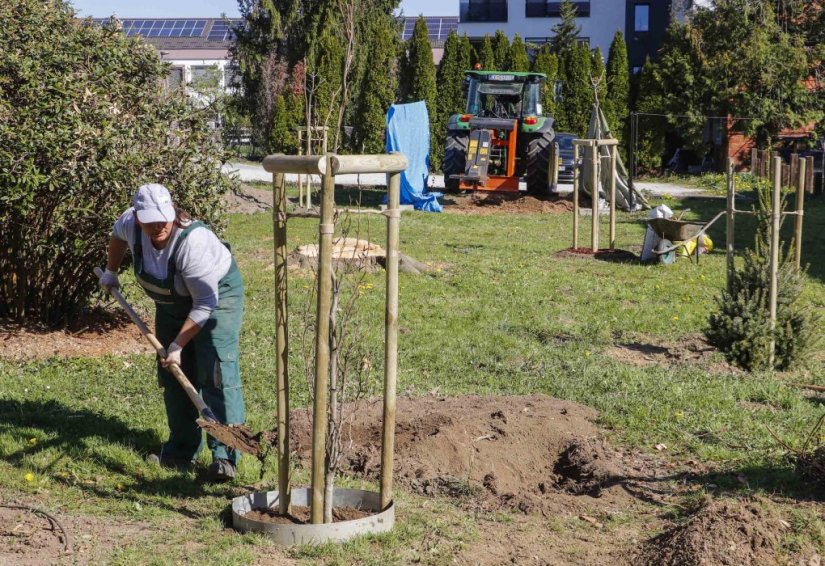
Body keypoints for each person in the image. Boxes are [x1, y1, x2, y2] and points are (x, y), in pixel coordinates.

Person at [99, 184, 245, 482]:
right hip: (172, 304)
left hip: (217, 300)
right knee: (173, 371)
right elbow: (117, 237)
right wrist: (111, 271)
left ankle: (225, 456)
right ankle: (180, 450)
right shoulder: (131, 224)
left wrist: (178, 343)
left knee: (216, 371)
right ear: (138, 216)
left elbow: (205, 302)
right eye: (150, 219)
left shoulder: (193, 242)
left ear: (173, 212)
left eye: (163, 218)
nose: (158, 226)